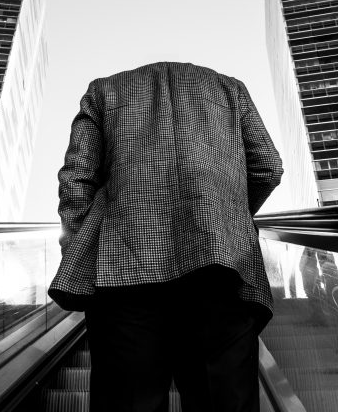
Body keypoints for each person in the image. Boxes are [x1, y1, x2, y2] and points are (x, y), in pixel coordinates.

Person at [48, 61, 283, 412]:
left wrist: (79, 243)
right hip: (223, 267)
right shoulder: (230, 89)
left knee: (127, 402)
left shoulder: (103, 90)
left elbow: (76, 179)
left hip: (122, 265)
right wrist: (227, 215)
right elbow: (267, 165)